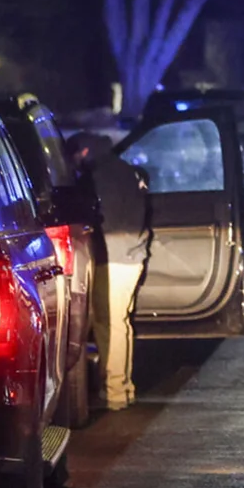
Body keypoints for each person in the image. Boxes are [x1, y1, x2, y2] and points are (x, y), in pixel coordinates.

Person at [66, 132, 151, 411]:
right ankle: (123, 388)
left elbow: (99, 219)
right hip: (132, 255)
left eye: (75, 157)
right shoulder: (125, 170)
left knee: (109, 323)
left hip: (113, 257)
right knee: (121, 323)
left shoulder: (96, 178)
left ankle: (114, 392)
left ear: (85, 151)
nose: (75, 164)